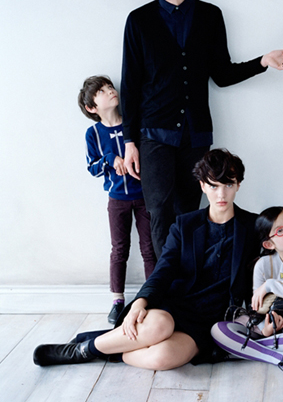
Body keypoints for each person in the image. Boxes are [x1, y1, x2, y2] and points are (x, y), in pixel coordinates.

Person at [117, 0, 283, 258]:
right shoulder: (139, 21)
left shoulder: (210, 16)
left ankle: (188, 282)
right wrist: (129, 142)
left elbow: (222, 75)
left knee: (190, 215)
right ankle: (163, 287)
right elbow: (130, 86)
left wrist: (263, 62)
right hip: (153, 135)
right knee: (160, 214)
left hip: (195, 135)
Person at [33, 149, 261, 369]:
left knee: (162, 358)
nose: (221, 195)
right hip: (176, 307)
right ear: (202, 185)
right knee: (159, 326)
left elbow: (266, 269)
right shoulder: (185, 225)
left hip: (210, 321)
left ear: (238, 185)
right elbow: (164, 269)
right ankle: (83, 351)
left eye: (228, 185)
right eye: (213, 186)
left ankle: (112, 347)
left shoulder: (253, 226)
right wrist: (140, 302)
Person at [78, 75, 156, 324]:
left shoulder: (133, 124)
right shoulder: (93, 133)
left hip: (144, 197)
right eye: (101, 91)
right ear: (91, 107)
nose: (110, 91)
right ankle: (117, 300)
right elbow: (92, 168)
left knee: (150, 248)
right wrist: (110, 159)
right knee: (119, 250)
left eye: (110, 86)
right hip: (117, 200)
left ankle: (152, 298)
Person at [211, 206, 283, 373]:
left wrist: (270, 285)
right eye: (280, 231)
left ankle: (240, 350)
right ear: (269, 244)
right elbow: (257, 307)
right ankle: (279, 356)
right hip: (264, 323)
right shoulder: (263, 264)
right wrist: (265, 330)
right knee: (218, 330)